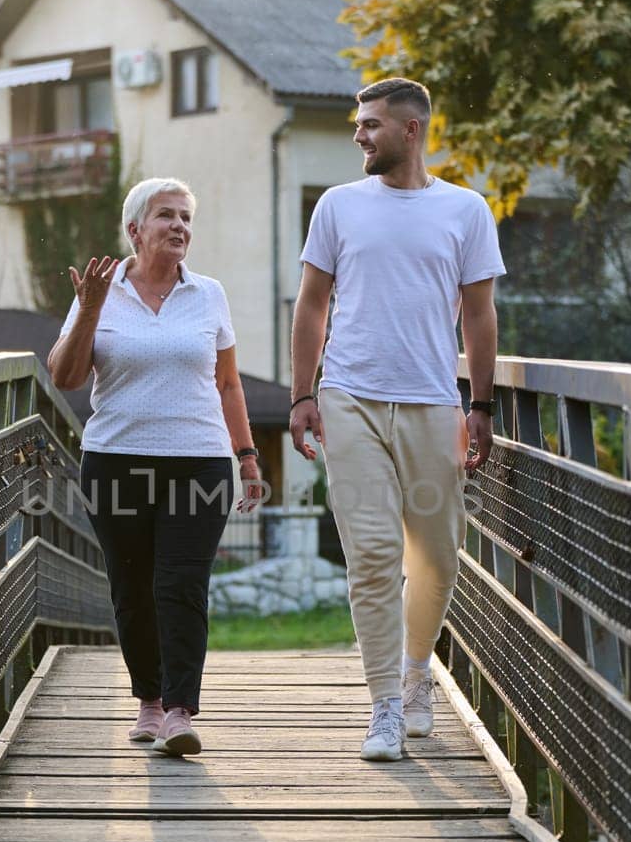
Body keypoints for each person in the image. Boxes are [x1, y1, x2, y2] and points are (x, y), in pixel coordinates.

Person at [290, 77, 504, 762]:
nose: (358, 134)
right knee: (375, 555)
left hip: (433, 401)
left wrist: (482, 405)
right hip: (349, 396)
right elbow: (311, 306)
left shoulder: (465, 210)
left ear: (411, 130)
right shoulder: (338, 206)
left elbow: (478, 313)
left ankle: (418, 673)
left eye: (371, 124)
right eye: (358, 124)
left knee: (438, 557)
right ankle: (384, 705)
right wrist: (303, 394)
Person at [48, 177, 265, 757]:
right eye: (166, 215)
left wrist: (246, 457)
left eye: (186, 218)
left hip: (199, 463)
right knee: (132, 586)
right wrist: (90, 309)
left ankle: (177, 711)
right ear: (134, 229)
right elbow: (65, 377)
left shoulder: (209, 294)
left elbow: (227, 382)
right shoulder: (99, 291)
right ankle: (147, 699)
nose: (179, 227)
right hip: (115, 462)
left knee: (182, 584)